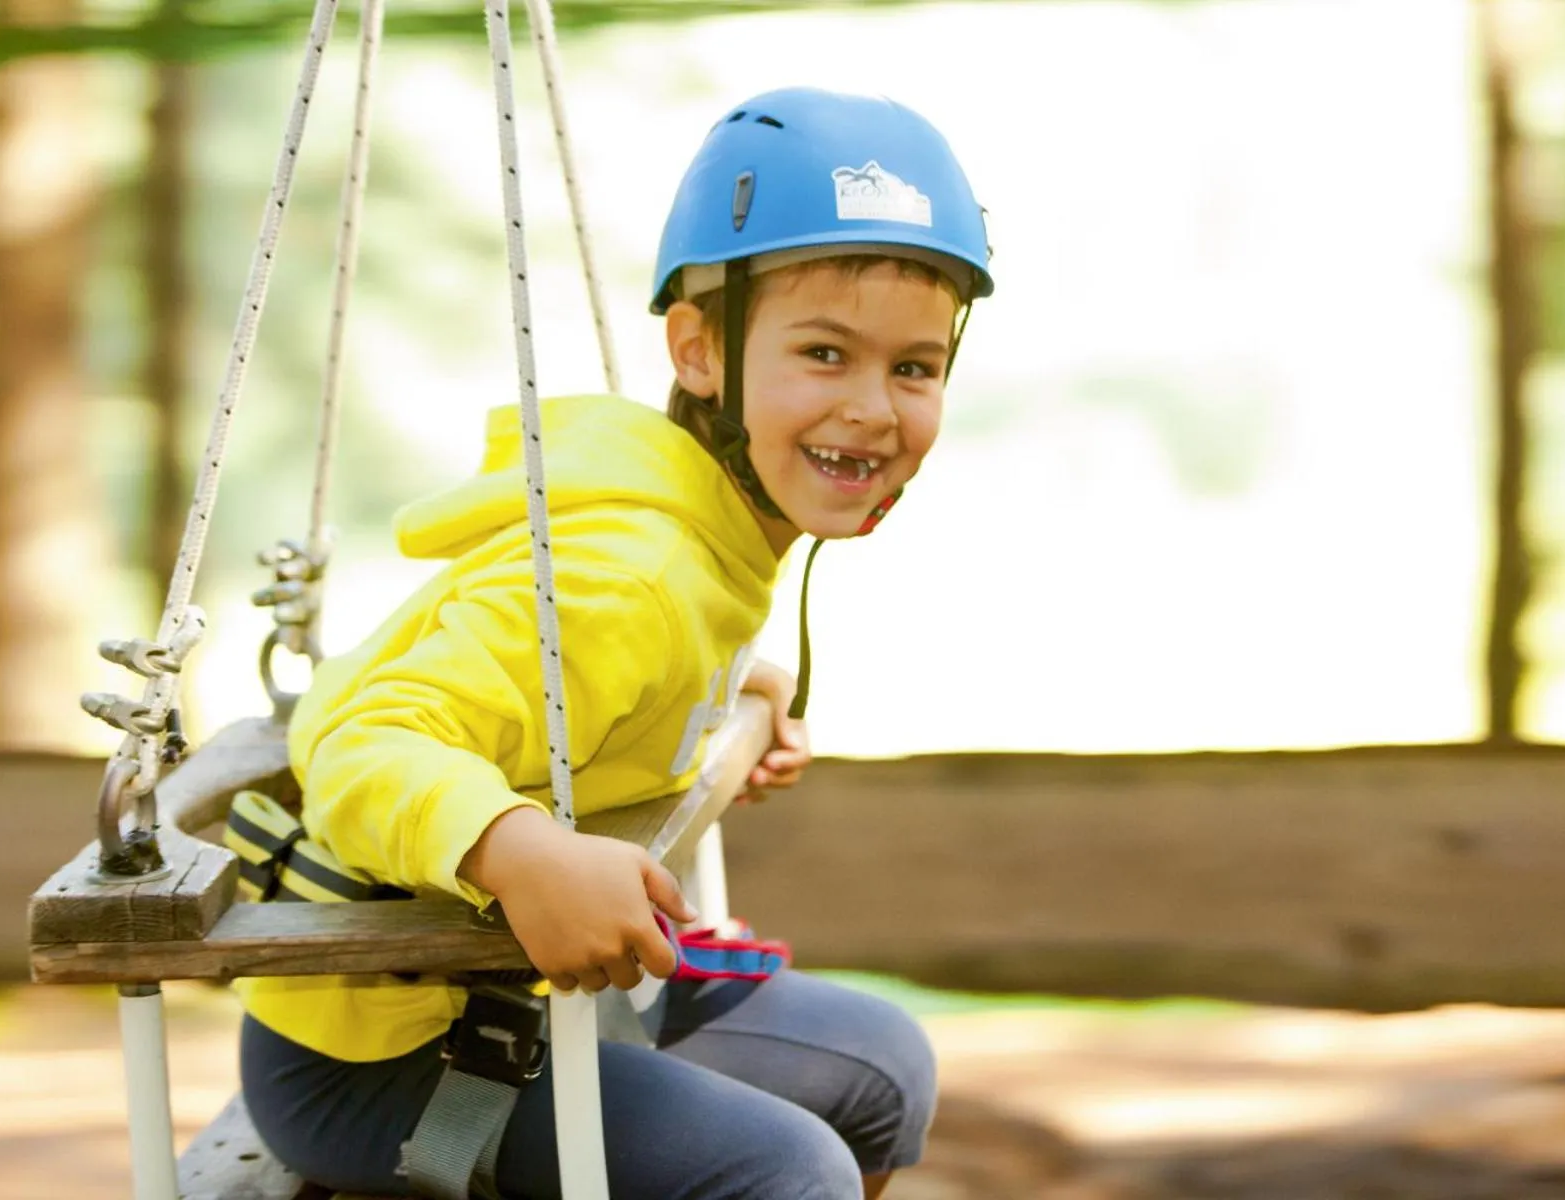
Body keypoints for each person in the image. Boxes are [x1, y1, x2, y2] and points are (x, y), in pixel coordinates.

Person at [235, 84, 996, 1199]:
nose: (875, 408)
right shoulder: (632, 571)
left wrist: (720, 693)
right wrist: (520, 853)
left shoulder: (701, 538)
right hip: (387, 1051)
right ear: (700, 351)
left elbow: (606, 666)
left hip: (524, 999)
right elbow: (365, 742)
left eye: (914, 367)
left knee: (881, 1067)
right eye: (826, 353)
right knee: (791, 1173)